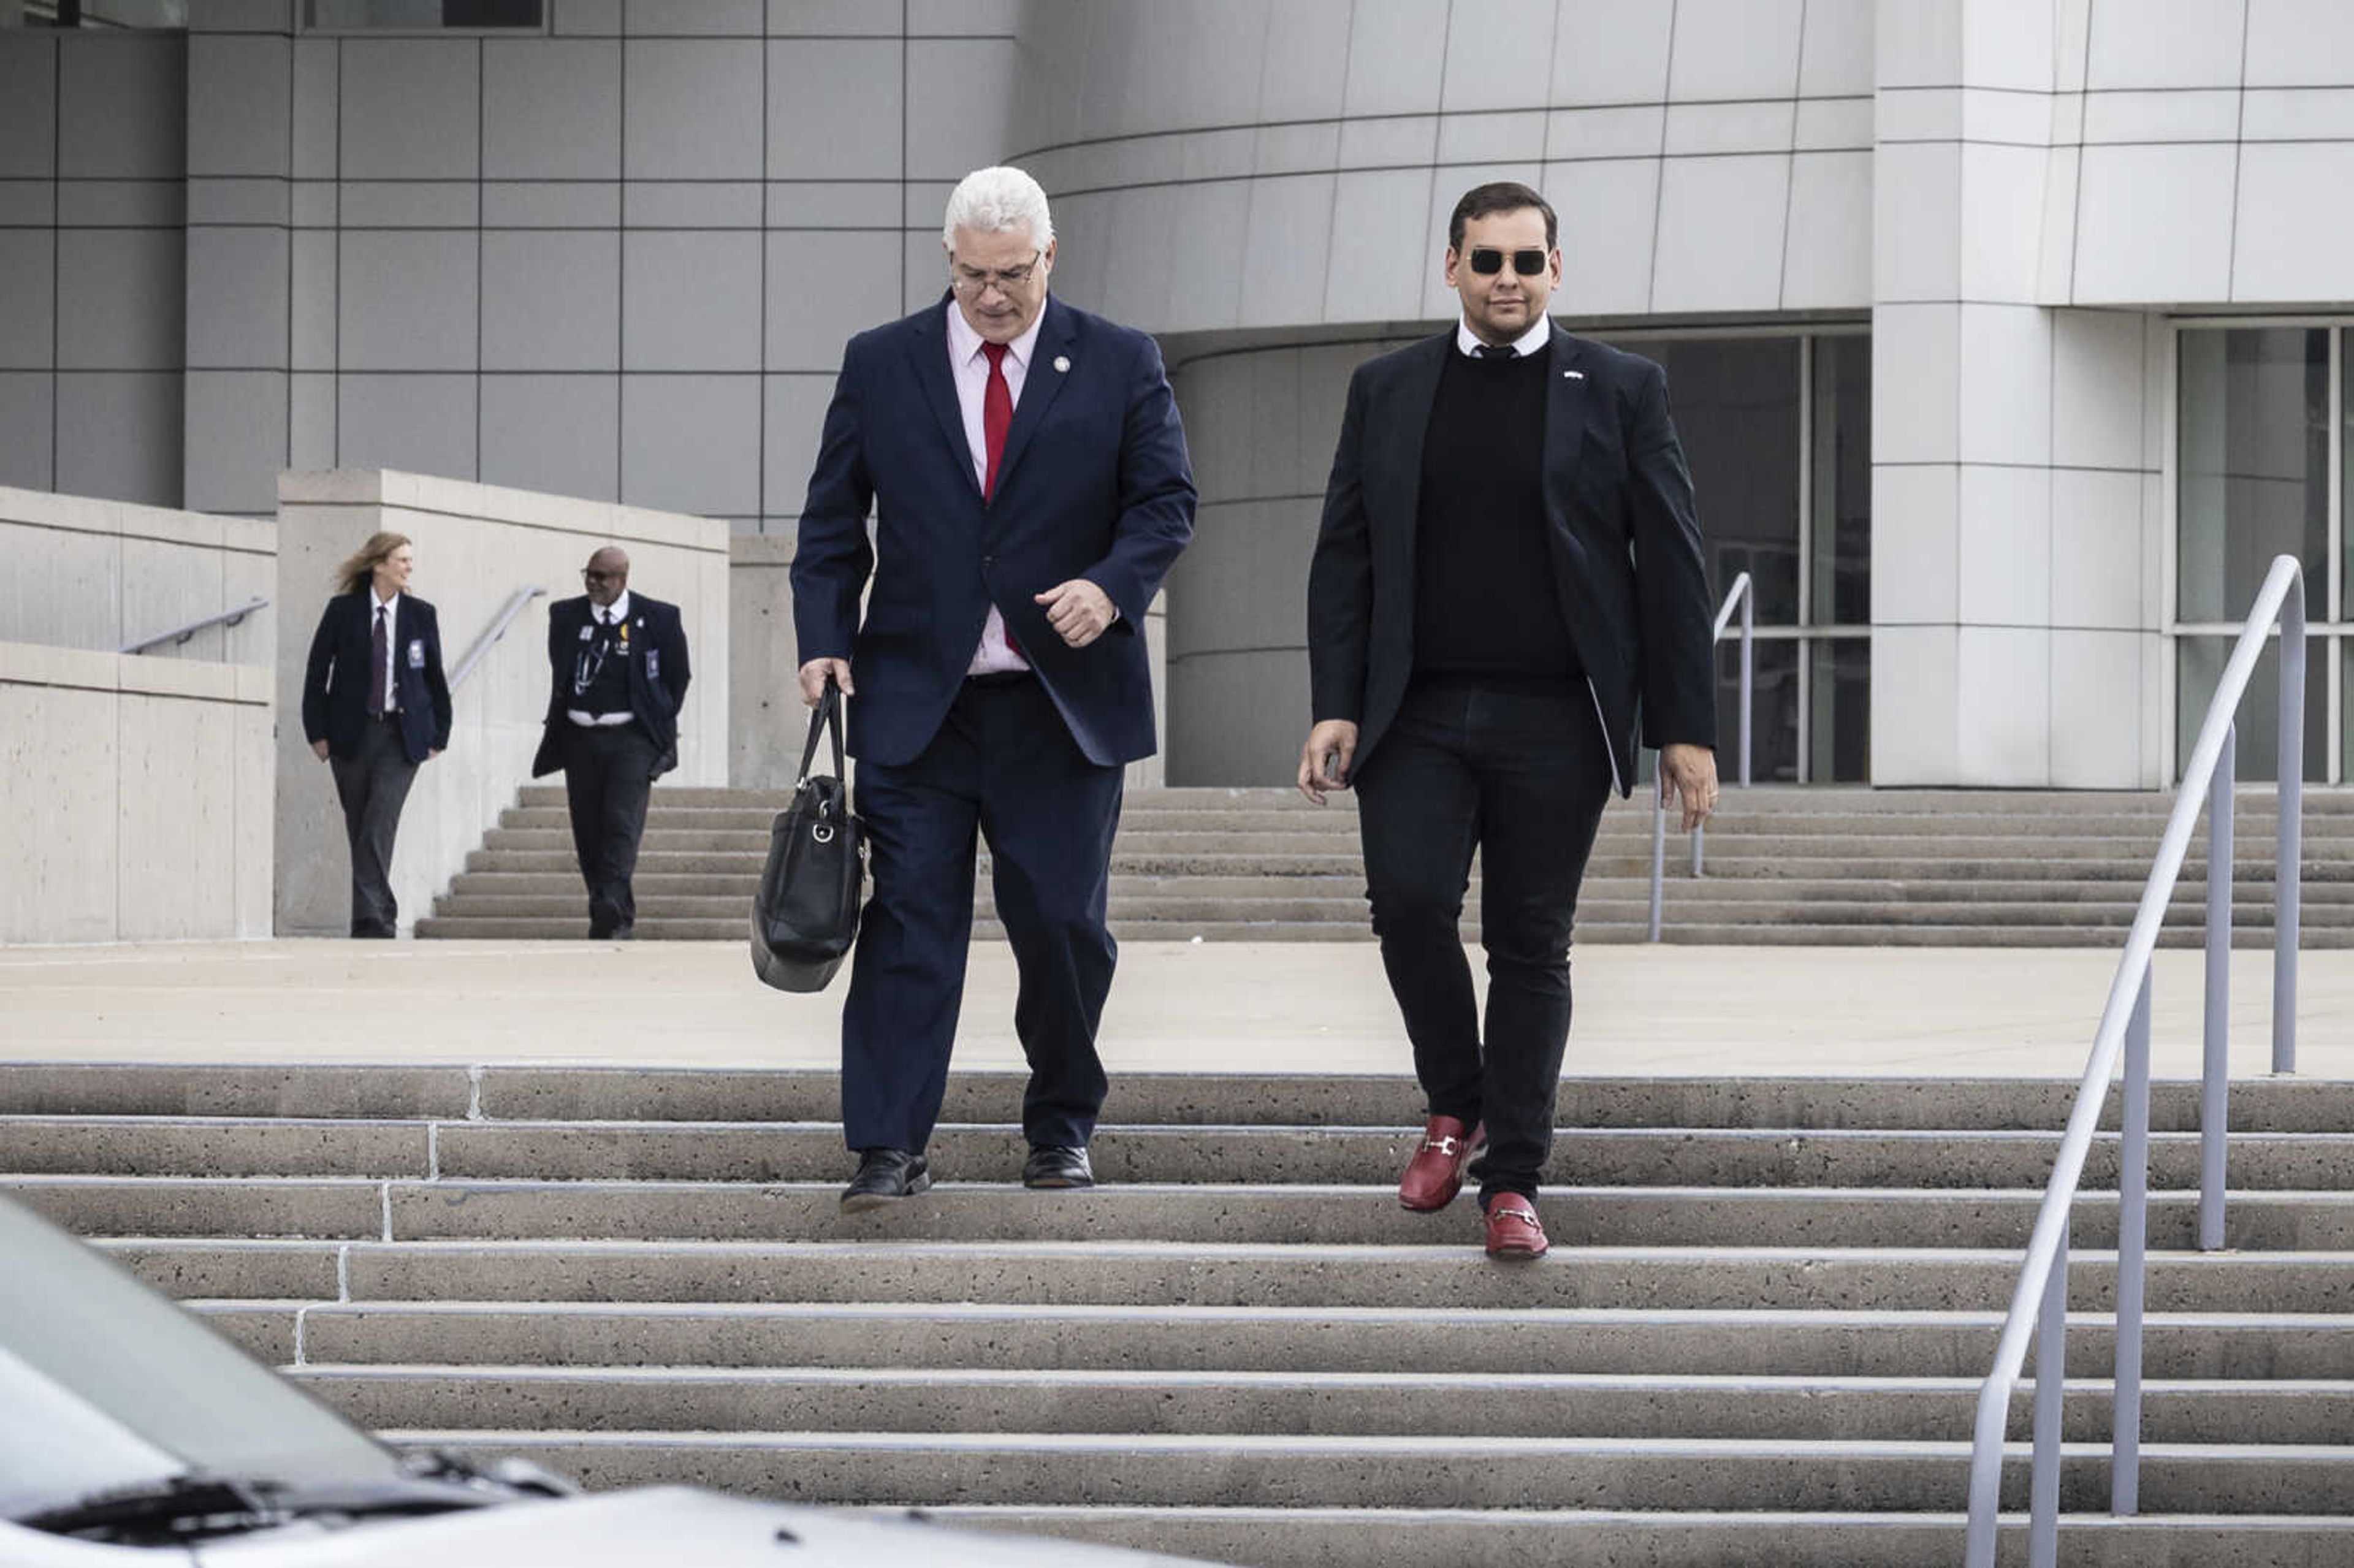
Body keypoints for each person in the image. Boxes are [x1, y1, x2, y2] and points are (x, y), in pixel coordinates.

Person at [1298, 181, 1719, 1261]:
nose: (1507, 282)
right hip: (1417, 711)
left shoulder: (1622, 388)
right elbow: (1345, 551)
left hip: (1556, 716)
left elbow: (1671, 559)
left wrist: (1684, 725)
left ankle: (1512, 1179)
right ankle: (1458, 1101)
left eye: (1527, 263)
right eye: (1487, 262)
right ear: (1452, 268)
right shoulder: (1386, 388)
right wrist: (1335, 701)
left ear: (1556, 271)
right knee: (1408, 902)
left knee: (1532, 944)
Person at [791, 165, 1195, 1213]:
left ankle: (1060, 1124)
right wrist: (825, 639)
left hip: (1058, 710)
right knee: (908, 928)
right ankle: (887, 1145)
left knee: (1063, 926)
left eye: (1011, 275)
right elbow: (833, 524)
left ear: (1049, 258)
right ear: (949, 263)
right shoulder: (882, 364)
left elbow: (1166, 502)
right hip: (918, 706)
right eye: (971, 275)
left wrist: (1111, 591)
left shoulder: (1119, 360)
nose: (991, 297)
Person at [530, 546, 693, 941]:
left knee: (621, 824)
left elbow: (678, 675)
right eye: (589, 574)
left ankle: (611, 909)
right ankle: (608, 909)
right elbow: (561, 671)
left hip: (631, 739)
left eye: (602, 577)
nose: (593, 583)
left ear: (623, 579)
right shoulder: (565, 616)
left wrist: (660, 717)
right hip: (580, 736)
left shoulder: (659, 618)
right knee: (588, 829)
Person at [301, 531, 451, 938]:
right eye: (402, 560)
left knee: (380, 819)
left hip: (403, 736)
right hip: (350, 734)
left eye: (409, 560)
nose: (409, 567)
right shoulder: (343, 611)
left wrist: (441, 732)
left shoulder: (422, 614)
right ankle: (372, 914)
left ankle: (375, 915)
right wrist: (316, 732)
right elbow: (316, 673)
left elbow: (435, 678)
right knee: (361, 824)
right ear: (379, 564)